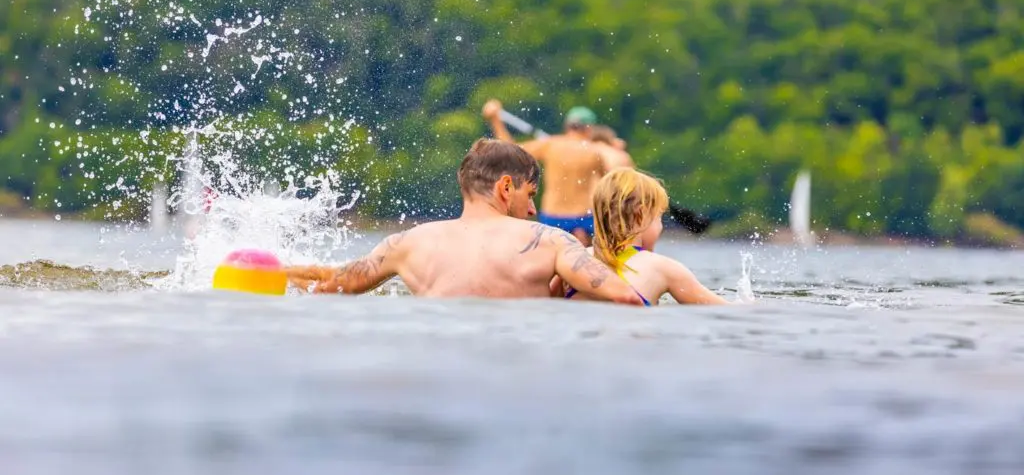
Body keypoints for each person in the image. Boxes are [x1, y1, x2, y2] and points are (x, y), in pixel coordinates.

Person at [285, 138, 646, 305]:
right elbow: (625, 298)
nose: (534, 209)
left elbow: (331, 285)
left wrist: (276, 273)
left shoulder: (407, 243)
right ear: (507, 187)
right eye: (530, 195)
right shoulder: (550, 241)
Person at [558, 167, 729, 305]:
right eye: (659, 218)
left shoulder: (574, 260)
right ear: (641, 214)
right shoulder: (664, 268)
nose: (660, 227)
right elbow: (725, 311)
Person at [482, 99, 605, 245]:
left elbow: (510, 152)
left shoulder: (551, 145)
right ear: (589, 129)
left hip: (553, 215)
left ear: (567, 126)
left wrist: (496, 120)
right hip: (584, 217)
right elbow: (604, 185)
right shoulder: (595, 152)